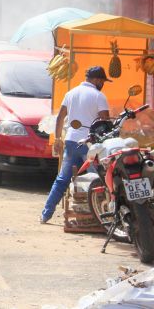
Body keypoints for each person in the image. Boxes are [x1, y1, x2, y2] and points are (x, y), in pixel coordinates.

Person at [40, 66, 111, 223]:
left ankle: (46, 214)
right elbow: (105, 121)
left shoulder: (70, 93)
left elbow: (60, 118)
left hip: (71, 141)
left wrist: (58, 139)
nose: (103, 84)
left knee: (62, 179)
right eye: (102, 81)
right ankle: (100, 218)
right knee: (97, 180)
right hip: (90, 144)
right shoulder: (99, 96)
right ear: (97, 80)